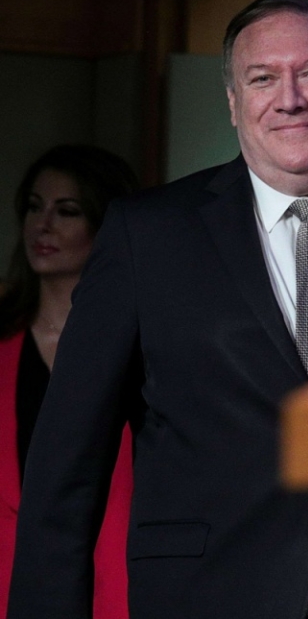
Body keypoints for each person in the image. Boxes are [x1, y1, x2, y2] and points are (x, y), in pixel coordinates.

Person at [8, 0, 308, 619]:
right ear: (234, 102)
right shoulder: (147, 236)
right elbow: (65, 472)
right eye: (262, 78)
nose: (289, 99)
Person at [0, 145, 139, 619]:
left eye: (67, 211)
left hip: (120, 589)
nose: (43, 225)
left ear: (103, 224)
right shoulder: (4, 339)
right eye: (34, 207)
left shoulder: (146, 345)